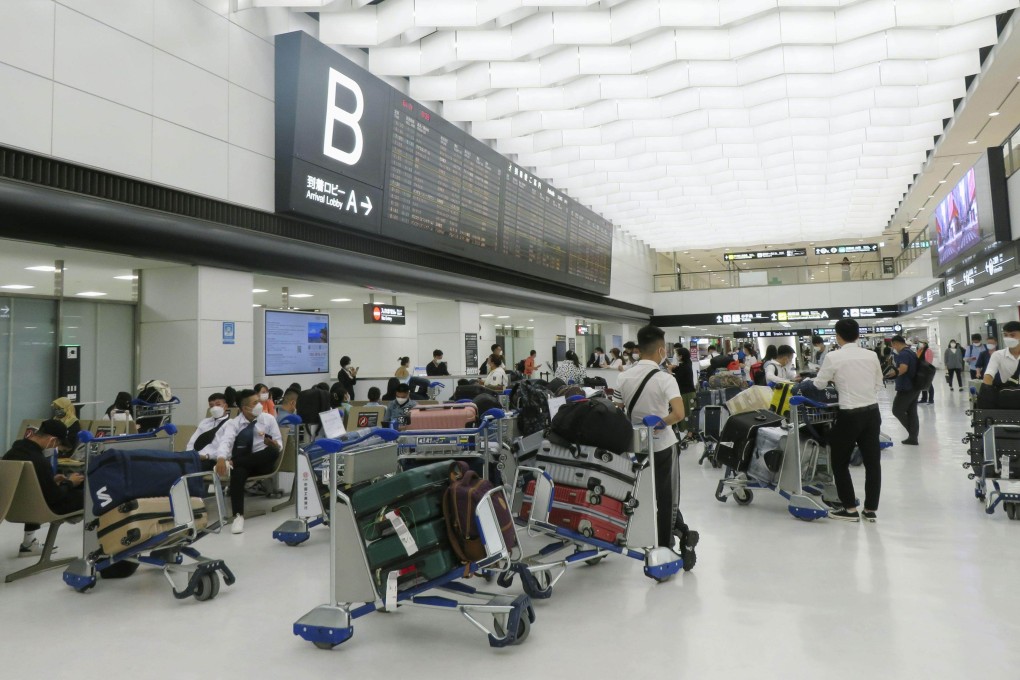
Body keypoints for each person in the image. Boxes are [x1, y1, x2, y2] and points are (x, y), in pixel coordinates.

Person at [614, 325, 694, 557]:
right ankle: (665, 547)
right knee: (666, 497)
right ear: (661, 350)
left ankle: (678, 531)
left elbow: (617, 409)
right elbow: (679, 414)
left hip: (636, 445)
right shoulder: (665, 378)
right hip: (663, 445)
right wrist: (658, 423)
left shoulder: (623, 376)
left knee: (643, 493)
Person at [802, 318, 883, 522]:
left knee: (839, 462)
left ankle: (849, 509)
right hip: (872, 413)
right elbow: (878, 384)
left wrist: (812, 382)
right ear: (858, 334)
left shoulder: (833, 357)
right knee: (873, 463)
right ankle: (870, 509)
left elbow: (819, 385)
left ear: (838, 336)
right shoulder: (871, 355)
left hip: (849, 415)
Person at [3, 419, 84, 556]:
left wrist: (50, 481)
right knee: (86, 495)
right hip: (40, 509)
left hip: (12, 508)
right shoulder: (39, 460)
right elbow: (54, 497)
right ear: (52, 440)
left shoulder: (10, 454)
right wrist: (70, 482)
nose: (55, 447)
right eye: (57, 443)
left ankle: (28, 543)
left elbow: (29, 485)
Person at [211, 389, 283, 534]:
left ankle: (233, 464)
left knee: (272, 451)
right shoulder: (234, 423)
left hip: (262, 462)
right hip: (244, 463)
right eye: (255, 402)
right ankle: (238, 516)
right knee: (238, 472)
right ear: (245, 408)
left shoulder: (268, 419)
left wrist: (273, 444)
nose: (259, 405)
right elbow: (226, 441)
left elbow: (279, 445)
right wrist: (220, 458)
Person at [887, 335, 919, 446]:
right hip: (914, 386)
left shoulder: (903, 354)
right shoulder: (910, 352)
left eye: (893, 345)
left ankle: (912, 433)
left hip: (906, 387)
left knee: (897, 410)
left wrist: (890, 375)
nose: (893, 347)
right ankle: (913, 437)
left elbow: (903, 368)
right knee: (912, 412)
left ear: (895, 343)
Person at [187, 393, 232, 466]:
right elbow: (192, 441)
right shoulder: (204, 422)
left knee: (187, 468)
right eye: (211, 406)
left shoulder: (231, 424)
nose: (214, 408)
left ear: (225, 406)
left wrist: (207, 456)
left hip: (212, 460)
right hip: (195, 457)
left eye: (218, 404)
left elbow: (228, 449)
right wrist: (189, 454)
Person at [981, 322, 1020, 388]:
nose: (1008, 338)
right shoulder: (998, 355)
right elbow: (989, 374)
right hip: (1010, 394)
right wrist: (986, 390)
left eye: (1012, 335)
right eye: (1005, 335)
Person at [671, 347, 697, 442]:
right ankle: (688, 433)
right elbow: (678, 370)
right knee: (687, 412)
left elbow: (677, 378)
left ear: (681, 356)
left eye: (677, 355)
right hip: (687, 392)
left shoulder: (685, 366)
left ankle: (689, 434)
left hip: (687, 393)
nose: (676, 356)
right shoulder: (687, 363)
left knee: (687, 413)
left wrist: (670, 372)